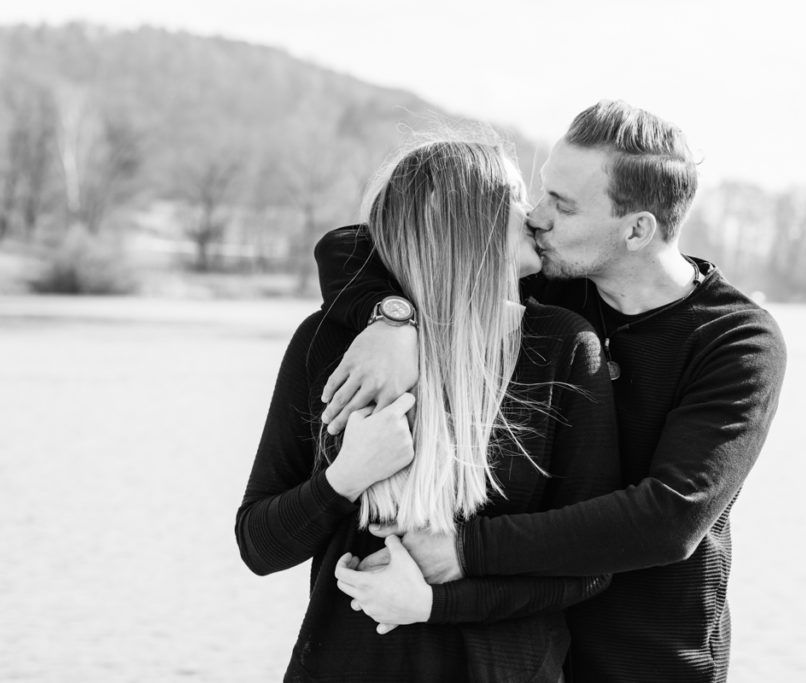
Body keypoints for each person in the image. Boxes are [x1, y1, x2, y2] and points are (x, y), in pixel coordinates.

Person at [313, 100, 787, 682]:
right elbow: (350, 244)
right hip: (529, 651)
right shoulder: (556, 282)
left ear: (637, 229)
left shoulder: (737, 341)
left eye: (562, 206)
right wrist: (391, 317)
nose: (535, 217)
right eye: (543, 193)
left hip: (650, 660)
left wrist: (467, 550)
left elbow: (669, 518)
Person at [235, 139, 621, 682]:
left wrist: (437, 605)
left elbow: (590, 568)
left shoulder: (562, 347)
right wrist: (345, 478)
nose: (533, 214)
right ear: (467, 222)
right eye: (513, 198)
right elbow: (258, 544)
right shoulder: (336, 344)